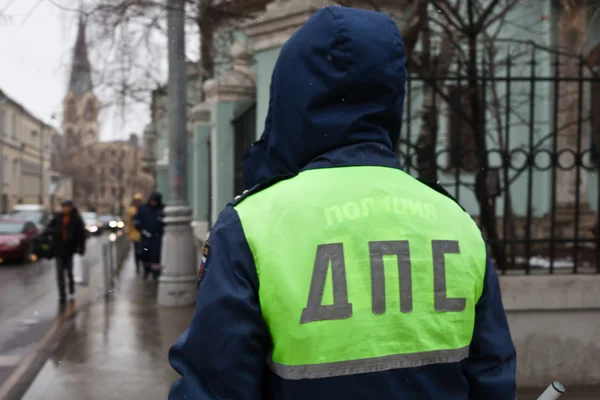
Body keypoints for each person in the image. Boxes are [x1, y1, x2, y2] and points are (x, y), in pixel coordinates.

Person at [168, 7, 516, 400]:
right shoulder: (455, 221)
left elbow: (214, 387)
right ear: (391, 97)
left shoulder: (252, 224)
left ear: (291, 99)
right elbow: (491, 377)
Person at [46, 200, 86, 303]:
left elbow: (81, 235)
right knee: (59, 272)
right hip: (59, 249)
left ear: (71, 207)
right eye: (63, 207)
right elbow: (49, 228)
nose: (64, 209)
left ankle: (71, 286)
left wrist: (81, 248)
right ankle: (62, 294)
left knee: (69, 271)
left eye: (66, 207)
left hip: (70, 249)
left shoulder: (76, 219)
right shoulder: (57, 217)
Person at [133, 192, 165, 280]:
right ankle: (146, 271)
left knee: (156, 257)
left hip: (158, 238)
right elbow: (136, 220)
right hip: (146, 237)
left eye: (155, 201)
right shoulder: (143, 209)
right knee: (144, 255)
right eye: (152, 201)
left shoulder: (162, 209)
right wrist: (142, 230)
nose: (153, 203)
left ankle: (156, 274)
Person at [126, 193, 144, 273]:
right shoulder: (131, 210)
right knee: (136, 251)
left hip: (143, 234)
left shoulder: (143, 209)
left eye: (139, 201)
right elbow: (129, 223)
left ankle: (143, 265)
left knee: (144, 251)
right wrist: (129, 233)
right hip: (135, 234)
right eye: (136, 201)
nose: (137, 202)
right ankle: (137, 266)